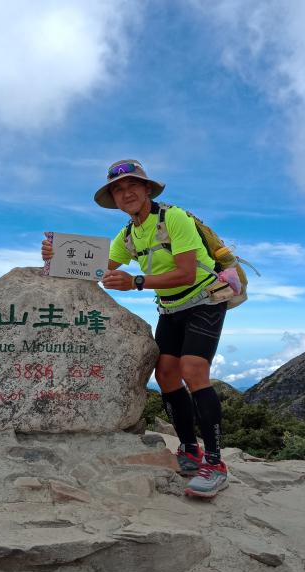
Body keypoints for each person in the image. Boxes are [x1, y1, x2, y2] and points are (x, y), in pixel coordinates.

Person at [41, 159, 229, 498]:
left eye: (132, 186)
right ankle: (189, 450)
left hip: (204, 299)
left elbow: (187, 272)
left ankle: (215, 464)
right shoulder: (128, 234)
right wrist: (55, 257)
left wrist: (136, 282)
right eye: (118, 190)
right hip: (170, 307)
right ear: (114, 199)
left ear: (146, 189)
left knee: (192, 369)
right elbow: (95, 267)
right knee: (166, 375)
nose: (126, 193)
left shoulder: (174, 218)